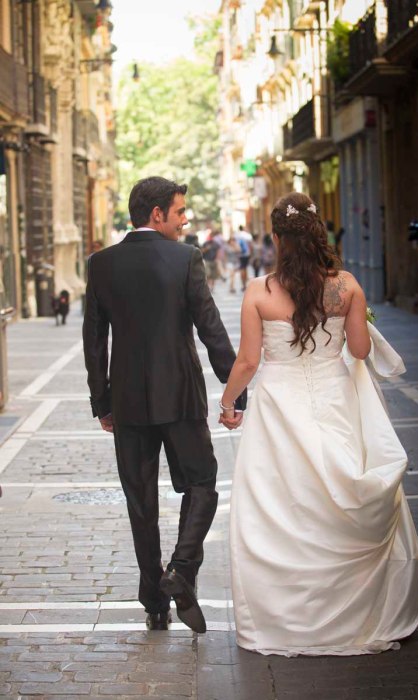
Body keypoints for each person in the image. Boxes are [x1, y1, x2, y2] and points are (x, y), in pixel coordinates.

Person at [220, 192, 418, 656]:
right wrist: (358, 322)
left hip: (278, 404)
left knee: (283, 501)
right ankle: (356, 611)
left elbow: (248, 361)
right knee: (337, 489)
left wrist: (228, 401)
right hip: (334, 398)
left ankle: (286, 613)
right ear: (319, 233)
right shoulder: (347, 286)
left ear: (277, 238)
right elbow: (358, 350)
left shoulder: (259, 291)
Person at [83, 176, 246, 634]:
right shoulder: (185, 258)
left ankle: (155, 602)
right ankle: (182, 567)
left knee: (141, 501)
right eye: (180, 212)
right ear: (157, 214)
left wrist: (102, 401)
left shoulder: (101, 264)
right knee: (203, 482)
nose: (185, 220)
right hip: (180, 395)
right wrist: (235, 389)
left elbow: (94, 341)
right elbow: (210, 328)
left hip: (128, 401)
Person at [235, 225, 253, 291]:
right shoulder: (247, 235)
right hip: (246, 254)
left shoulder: (237, 235)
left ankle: (243, 284)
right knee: (245, 268)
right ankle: (245, 284)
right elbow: (251, 245)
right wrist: (251, 254)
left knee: (242, 268)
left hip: (240, 255)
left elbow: (235, 244)